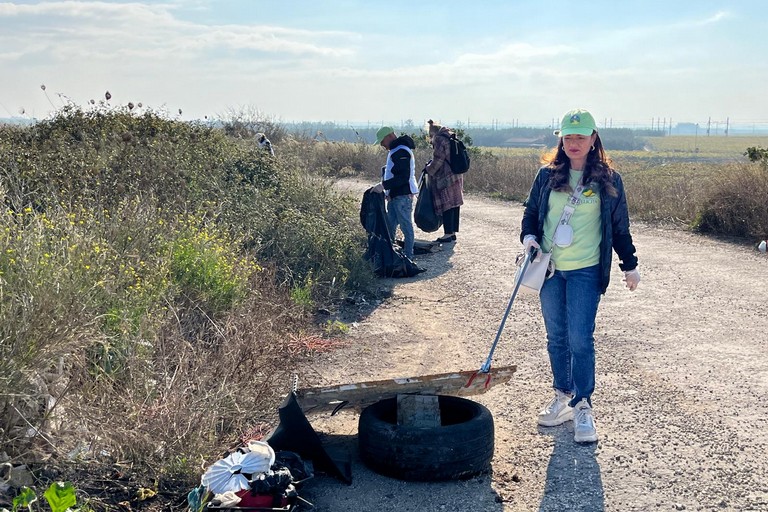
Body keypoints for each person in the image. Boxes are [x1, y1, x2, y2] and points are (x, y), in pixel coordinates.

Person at [520, 108, 641, 443]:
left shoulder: (609, 181)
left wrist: (629, 265)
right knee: (556, 338)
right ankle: (563, 398)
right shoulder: (546, 176)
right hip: (550, 271)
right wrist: (528, 237)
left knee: (580, 339)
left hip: (586, 271)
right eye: (568, 137)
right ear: (561, 140)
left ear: (593, 139)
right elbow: (531, 214)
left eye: (580, 136)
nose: (573, 143)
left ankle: (583, 404)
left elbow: (619, 228)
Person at [371, 126, 418, 259]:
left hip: (403, 195)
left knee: (406, 227)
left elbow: (402, 177)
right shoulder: (396, 150)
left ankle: (409, 257)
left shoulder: (401, 151)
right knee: (390, 226)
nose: (382, 145)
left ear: (390, 136)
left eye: (382, 142)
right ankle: (391, 255)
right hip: (395, 196)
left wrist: (383, 186)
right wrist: (388, 192)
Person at [425, 120, 464, 243]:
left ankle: (447, 233)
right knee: (455, 203)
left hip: (445, 175)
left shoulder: (439, 139)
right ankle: (452, 233)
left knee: (446, 203)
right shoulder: (451, 137)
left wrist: (428, 170)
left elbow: (438, 160)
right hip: (456, 174)